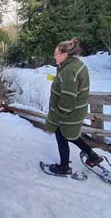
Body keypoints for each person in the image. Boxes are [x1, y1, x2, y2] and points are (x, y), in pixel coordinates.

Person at [45, 38, 103, 175]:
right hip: (75, 112)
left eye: (56, 53)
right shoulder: (74, 65)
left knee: (61, 135)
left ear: (64, 55)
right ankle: (93, 156)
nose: (54, 56)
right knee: (70, 135)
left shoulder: (69, 71)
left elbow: (68, 100)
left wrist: (56, 115)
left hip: (69, 113)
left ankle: (64, 168)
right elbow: (69, 88)